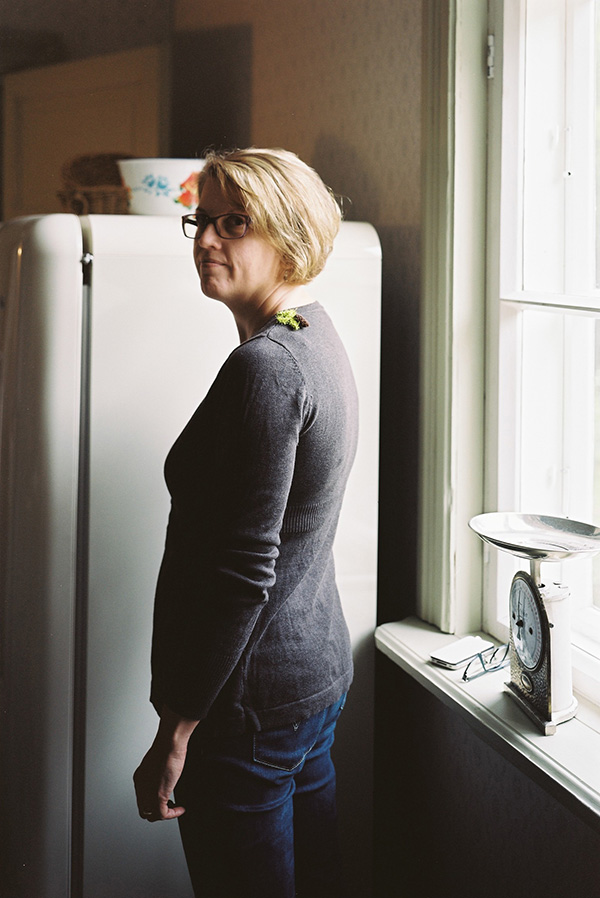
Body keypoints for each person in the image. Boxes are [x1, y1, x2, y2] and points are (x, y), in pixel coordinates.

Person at [133, 147, 358, 898]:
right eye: (201, 220)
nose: (206, 239)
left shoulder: (268, 366)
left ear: (289, 235)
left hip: (248, 709)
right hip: (308, 682)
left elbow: (241, 572)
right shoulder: (314, 335)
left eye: (235, 223)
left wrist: (177, 729)